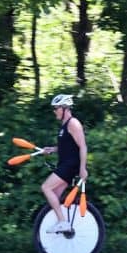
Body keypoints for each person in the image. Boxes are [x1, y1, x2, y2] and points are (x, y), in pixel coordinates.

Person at [41, 94, 88, 233]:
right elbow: (68, 146)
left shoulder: (73, 123)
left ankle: (62, 222)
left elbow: (83, 146)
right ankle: (63, 223)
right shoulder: (64, 125)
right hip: (65, 164)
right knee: (54, 194)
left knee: (46, 188)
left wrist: (83, 168)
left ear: (65, 108)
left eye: (56, 108)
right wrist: (52, 149)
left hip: (70, 165)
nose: (54, 111)